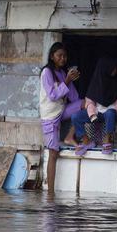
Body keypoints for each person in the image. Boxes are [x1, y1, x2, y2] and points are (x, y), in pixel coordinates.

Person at [39, 42, 81, 191]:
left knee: (84, 104)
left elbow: (74, 98)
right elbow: (52, 96)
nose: (63, 59)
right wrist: (67, 81)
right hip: (50, 116)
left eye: (65, 56)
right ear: (52, 56)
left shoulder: (63, 73)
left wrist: (71, 81)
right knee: (53, 153)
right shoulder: (47, 72)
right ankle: (50, 193)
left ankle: (70, 136)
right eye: (59, 56)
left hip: (61, 111)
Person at [74, 58, 117, 156]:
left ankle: (107, 140)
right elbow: (89, 101)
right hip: (96, 113)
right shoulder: (96, 82)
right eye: (113, 67)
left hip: (110, 113)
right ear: (105, 68)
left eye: (115, 67)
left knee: (110, 112)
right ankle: (86, 141)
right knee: (75, 117)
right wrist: (92, 113)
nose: (115, 70)